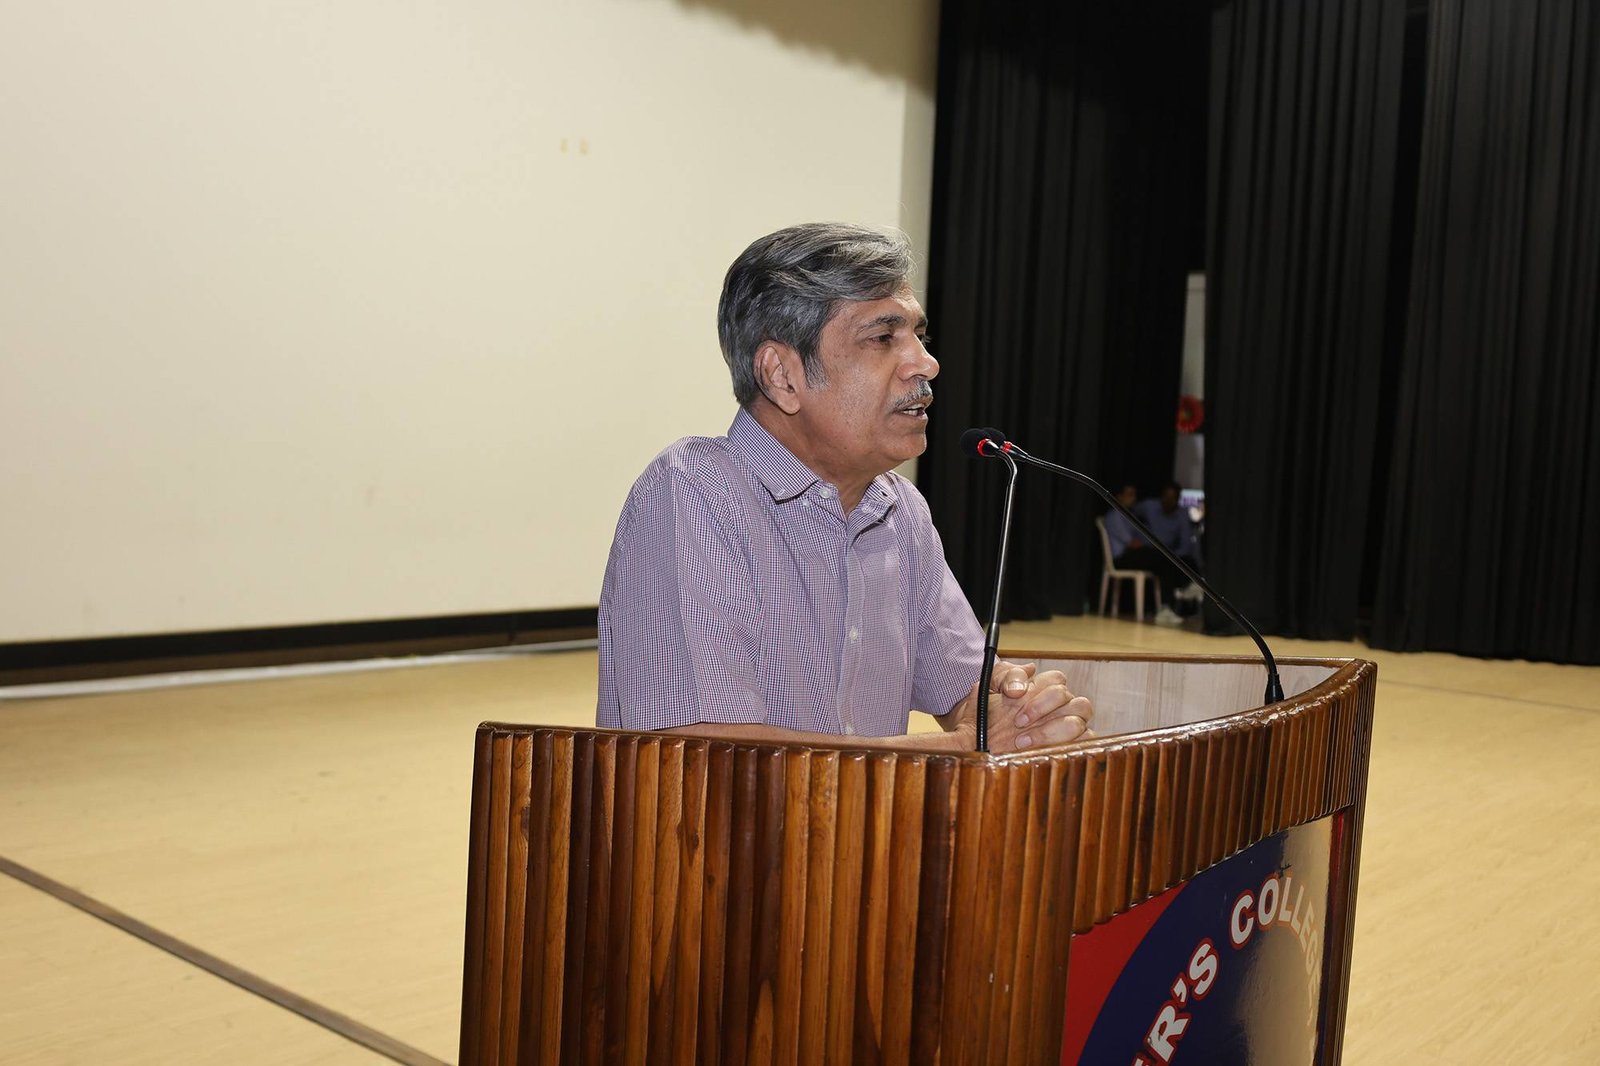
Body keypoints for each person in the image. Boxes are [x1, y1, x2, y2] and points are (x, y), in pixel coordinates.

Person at [597, 223, 1092, 753]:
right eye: (883, 338)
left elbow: (963, 689)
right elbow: (700, 755)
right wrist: (966, 748)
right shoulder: (694, 493)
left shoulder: (899, 509)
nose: (927, 364)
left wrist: (1019, 711)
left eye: (919, 337)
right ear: (782, 376)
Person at [1103, 484, 1194, 626]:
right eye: (1129, 494)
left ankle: (1167, 605)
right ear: (1119, 496)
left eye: (1134, 494)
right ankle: (1184, 586)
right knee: (1163, 556)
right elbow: (1133, 543)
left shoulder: (1128, 515)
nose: (1133, 498)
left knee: (1165, 560)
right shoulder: (1115, 515)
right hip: (1122, 558)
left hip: (1133, 554)